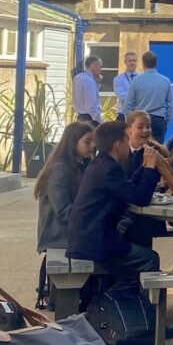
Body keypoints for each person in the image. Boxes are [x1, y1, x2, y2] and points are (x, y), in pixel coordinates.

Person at [67, 121, 161, 293]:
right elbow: (140, 198)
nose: (129, 144)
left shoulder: (101, 164)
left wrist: (143, 168)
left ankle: (128, 297)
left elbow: (128, 188)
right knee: (150, 258)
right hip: (94, 243)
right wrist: (149, 168)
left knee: (137, 248)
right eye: (127, 139)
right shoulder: (108, 169)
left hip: (86, 238)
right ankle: (143, 310)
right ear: (118, 144)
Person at [36, 122, 95, 254]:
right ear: (73, 143)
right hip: (58, 236)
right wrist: (92, 224)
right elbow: (63, 211)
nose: (92, 146)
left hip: (69, 231)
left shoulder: (79, 166)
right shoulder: (60, 168)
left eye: (93, 141)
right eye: (87, 141)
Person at [125, 51, 173, 143]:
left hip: (139, 120)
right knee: (157, 151)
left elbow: (128, 104)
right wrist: (166, 123)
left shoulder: (136, 81)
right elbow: (171, 105)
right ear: (156, 63)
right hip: (158, 120)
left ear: (143, 63)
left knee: (139, 149)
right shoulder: (165, 81)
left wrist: (130, 123)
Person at [71, 55, 103, 125]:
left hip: (80, 117)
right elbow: (91, 106)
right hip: (90, 119)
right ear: (94, 65)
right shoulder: (89, 81)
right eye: (99, 66)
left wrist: (97, 83)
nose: (100, 69)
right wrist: (100, 121)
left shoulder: (77, 77)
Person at [112, 52, 139, 122]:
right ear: (125, 62)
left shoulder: (142, 78)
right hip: (123, 115)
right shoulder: (118, 79)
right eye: (130, 61)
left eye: (134, 60)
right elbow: (122, 97)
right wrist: (137, 97)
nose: (132, 62)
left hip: (139, 114)